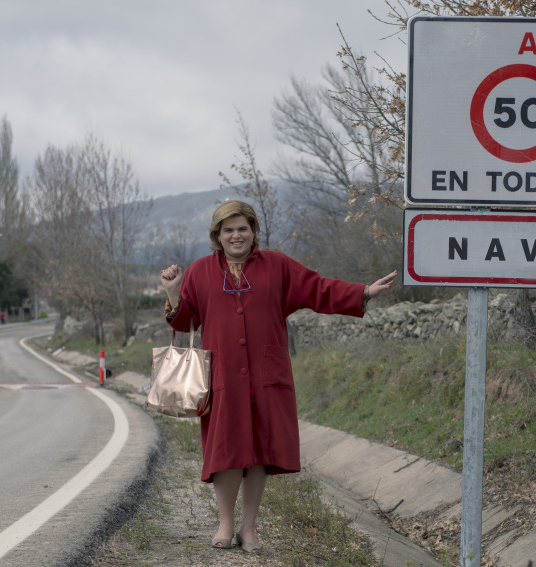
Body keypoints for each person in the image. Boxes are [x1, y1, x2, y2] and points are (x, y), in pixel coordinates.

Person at [160, 200, 396, 554]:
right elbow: (187, 322)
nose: (236, 235)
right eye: (228, 230)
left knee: (258, 453)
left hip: (266, 376)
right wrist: (173, 291)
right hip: (222, 375)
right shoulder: (200, 271)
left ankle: (249, 529)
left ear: (254, 231)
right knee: (226, 451)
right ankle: (225, 525)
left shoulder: (278, 266)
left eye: (243, 228)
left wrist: (362, 292)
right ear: (217, 235)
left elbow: (319, 289)